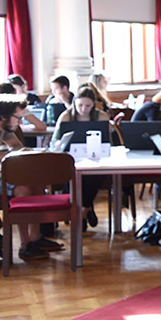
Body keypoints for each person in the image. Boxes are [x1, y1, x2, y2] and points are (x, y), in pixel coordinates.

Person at [0, 95, 63, 260]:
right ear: (3, 117)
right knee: (22, 188)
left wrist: (18, 152)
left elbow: (17, 147)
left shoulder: (3, 128)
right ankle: (25, 245)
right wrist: (13, 153)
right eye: (18, 118)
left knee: (37, 184)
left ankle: (36, 237)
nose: (20, 123)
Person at [51, 86, 111, 230]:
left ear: (94, 105)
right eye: (80, 105)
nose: (83, 109)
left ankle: (83, 210)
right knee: (72, 177)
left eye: (88, 105)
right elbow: (55, 142)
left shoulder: (101, 116)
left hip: (95, 159)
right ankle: (86, 208)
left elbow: (108, 142)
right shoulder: (66, 116)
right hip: (71, 160)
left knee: (93, 176)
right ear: (74, 103)